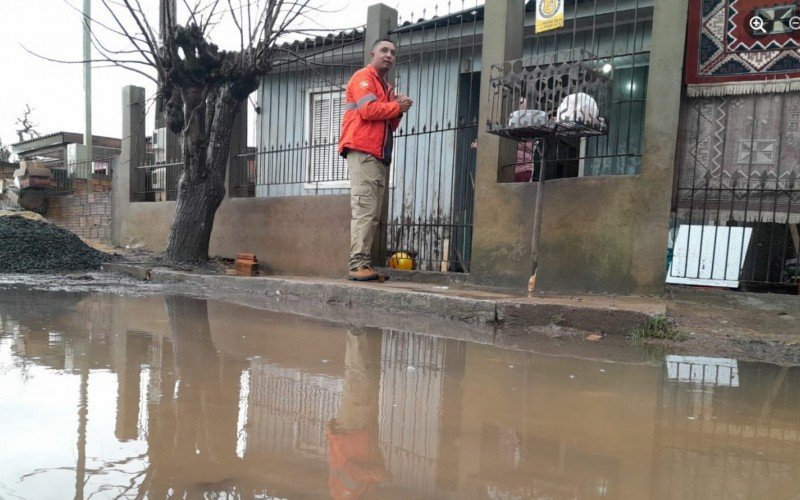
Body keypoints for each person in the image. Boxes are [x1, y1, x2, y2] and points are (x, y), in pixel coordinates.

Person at [339, 38, 413, 281]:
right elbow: (368, 111)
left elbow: (391, 124)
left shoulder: (386, 87)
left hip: (379, 155)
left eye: (393, 52)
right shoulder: (364, 77)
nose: (389, 55)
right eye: (384, 50)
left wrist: (398, 108)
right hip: (363, 150)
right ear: (372, 54)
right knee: (364, 211)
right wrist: (396, 106)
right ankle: (357, 265)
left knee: (372, 214)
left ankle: (363, 264)